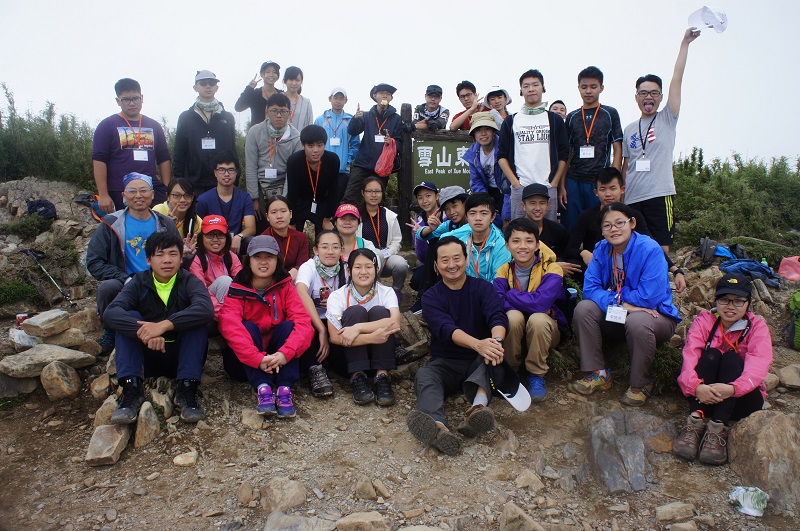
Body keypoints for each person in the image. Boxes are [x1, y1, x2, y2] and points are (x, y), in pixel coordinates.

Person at [571, 202, 680, 406]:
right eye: (607, 225)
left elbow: (650, 297)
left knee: (638, 321)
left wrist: (618, 297)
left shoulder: (650, 249)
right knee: (584, 308)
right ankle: (598, 373)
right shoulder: (601, 249)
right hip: (621, 312)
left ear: (632, 223)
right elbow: (589, 289)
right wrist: (620, 302)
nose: (614, 229)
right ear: (602, 231)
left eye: (620, 222)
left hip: (656, 316)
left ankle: (641, 383)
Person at [407, 236, 509, 455]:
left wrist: (496, 343)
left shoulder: (483, 288)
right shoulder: (431, 297)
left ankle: (476, 411)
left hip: (479, 359)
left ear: (466, 259)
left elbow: (497, 316)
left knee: (490, 358)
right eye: (444, 260)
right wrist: (478, 344)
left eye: (456, 258)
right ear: (435, 266)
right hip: (446, 362)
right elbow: (445, 328)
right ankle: (437, 427)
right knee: (425, 375)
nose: (451, 265)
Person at [103, 231, 214, 424]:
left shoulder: (189, 281)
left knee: (197, 321)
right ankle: (131, 390)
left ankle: (187, 389)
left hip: (180, 358)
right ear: (148, 260)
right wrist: (145, 332)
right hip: (147, 358)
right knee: (130, 317)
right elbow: (111, 312)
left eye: (173, 254)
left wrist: (164, 325)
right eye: (160, 254)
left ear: (181, 258)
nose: (167, 260)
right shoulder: (138, 282)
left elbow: (205, 308)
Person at [673, 274, 772, 465]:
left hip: (741, 400)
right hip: (703, 396)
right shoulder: (704, 321)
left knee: (732, 359)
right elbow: (689, 359)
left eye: (738, 301)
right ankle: (694, 422)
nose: (730, 306)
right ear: (716, 300)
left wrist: (733, 389)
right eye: (724, 299)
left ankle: (717, 429)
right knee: (711, 356)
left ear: (748, 303)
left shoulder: (757, 327)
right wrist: (695, 387)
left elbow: (758, 366)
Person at [622, 28, 701, 253]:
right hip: (632, 197)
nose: (649, 97)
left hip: (658, 193)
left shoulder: (667, 118)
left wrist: (685, 43)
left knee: (660, 246)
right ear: (636, 97)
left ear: (661, 97)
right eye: (644, 92)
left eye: (654, 93)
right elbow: (626, 165)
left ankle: (660, 284)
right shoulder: (629, 129)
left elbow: (677, 78)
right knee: (632, 246)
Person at [218, 236, 314, 418]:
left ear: (277, 261)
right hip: (245, 362)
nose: (263, 262)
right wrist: (256, 358)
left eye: (269, 257)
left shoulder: (285, 287)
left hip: (279, 360)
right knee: (247, 327)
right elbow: (230, 326)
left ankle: (285, 388)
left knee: (289, 326)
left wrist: (285, 353)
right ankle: (263, 388)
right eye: (257, 257)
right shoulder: (238, 289)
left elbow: (303, 323)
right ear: (249, 261)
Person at [87, 173, 179, 355]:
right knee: (107, 287)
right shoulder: (111, 224)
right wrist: (124, 278)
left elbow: (178, 256)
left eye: (144, 190)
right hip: (126, 283)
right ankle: (110, 330)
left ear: (152, 194)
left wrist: (189, 255)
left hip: (159, 281)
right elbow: (94, 261)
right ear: (123, 196)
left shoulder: (166, 223)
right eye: (132, 191)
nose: (139, 196)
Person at [563, 168, 686, 290]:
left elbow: (652, 246)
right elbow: (569, 249)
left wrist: (675, 270)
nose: (608, 194)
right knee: (573, 264)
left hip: (628, 269)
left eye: (613, 188)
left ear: (622, 190)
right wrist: (583, 252)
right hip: (596, 267)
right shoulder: (586, 216)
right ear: (596, 192)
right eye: (602, 189)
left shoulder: (633, 216)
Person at [494, 219, 565, 401]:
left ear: (537, 245)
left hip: (547, 331)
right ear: (507, 245)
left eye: (529, 240)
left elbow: (540, 304)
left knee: (538, 318)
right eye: (516, 241)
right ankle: (512, 371)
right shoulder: (503, 270)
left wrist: (510, 294)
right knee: (513, 317)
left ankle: (536, 374)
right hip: (515, 329)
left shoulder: (552, 268)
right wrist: (526, 302)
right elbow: (497, 301)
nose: (522, 246)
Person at [326, 248, 401, 406]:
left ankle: (382, 376)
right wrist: (371, 337)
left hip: (380, 355)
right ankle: (357, 376)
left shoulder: (386, 292)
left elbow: (395, 322)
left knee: (380, 311)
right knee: (354, 311)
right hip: (348, 360)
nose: (363, 271)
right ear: (348, 270)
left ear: (377, 269)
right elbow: (335, 337)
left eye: (368, 266)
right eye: (358, 267)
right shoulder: (336, 296)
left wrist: (358, 328)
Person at [498, 69, 569, 221]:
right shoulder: (511, 121)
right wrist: (515, 183)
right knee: (518, 234)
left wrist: (554, 182)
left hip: (548, 186)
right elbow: (502, 156)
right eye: (526, 86)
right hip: (521, 187)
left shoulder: (554, 120)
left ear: (543, 88)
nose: (531, 89)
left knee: (549, 236)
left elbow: (564, 153)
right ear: (520, 91)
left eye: (535, 85)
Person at [92, 78, 170, 213]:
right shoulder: (107, 125)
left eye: (136, 98)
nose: (132, 103)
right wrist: (103, 194)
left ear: (142, 98)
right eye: (126, 99)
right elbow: (99, 160)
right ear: (118, 101)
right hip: (119, 190)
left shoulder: (154, 125)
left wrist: (167, 188)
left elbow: (164, 158)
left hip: (151, 190)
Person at [560, 66, 623, 231]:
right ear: (578, 88)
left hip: (599, 181)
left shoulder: (610, 113)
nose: (588, 91)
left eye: (593, 87)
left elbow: (617, 148)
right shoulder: (572, 117)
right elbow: (567, 153)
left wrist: (613, 181)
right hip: (573, 180)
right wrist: (562, 185)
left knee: (600, 226)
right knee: (571, 226)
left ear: (601, 88)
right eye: (584, 86)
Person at [173, 70, 239, 197]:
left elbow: (232, 150)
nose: (208, 86)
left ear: (217, 88)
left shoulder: (227, 117)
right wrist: (179, 181)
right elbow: (179, 152)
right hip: (194, 183)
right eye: (203, 83)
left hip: (222, 182)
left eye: (212, 83)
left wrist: (235, 177)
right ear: (195, 87)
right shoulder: (186, 117)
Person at [295, 230, 345, 398]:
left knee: (341, 364)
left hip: (337, 320)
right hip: (313, 320)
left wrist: (334, 303)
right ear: (316, 250)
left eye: (335, 247)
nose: (330, 251)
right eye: (325, 247)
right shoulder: (308, 267)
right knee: (304, 327)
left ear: (341, 250)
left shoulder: (347, 268)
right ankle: (315, 369)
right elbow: (301, 292)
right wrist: (322, 330)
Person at [245, 93, 302, 223]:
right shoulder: (255, 132)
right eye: (274, 111)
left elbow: (293, 173)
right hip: (260, 186)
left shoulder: (296, 137)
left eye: (283, 111)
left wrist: (283, 201)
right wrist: (253, 198)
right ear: (267, 111)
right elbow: (251, 166)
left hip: (284, 185)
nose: (278, 115)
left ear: (290, 112)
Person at [342, 83, 403, 204]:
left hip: (382, 167)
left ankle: (376, 223)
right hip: (363, 164)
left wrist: (391, 142)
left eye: (388, 94)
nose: (385, 96)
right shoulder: (366, 115)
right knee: (350, 196)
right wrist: (355, 119)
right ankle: (345, 221)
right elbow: (353, 131)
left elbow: (400, 142)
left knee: (377, 201)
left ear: (391, 98)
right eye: (381, 93)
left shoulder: (396, 118)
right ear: (375, 96)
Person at [439, 193, 510, 283]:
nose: (478, 218)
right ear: (467, 216)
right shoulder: (463, 236)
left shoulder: (501, 245)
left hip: (489, 294)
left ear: (493, 217)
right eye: (472, 213)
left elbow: (498, 283)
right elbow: (442, 238)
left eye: (484, 213)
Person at [358, 177, 408, 303]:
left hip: (387, 258)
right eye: (369, 191)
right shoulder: (356, 216)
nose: (374, 195)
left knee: (401, 264)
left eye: (377, 191)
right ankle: (374, 290)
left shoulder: (390, 216)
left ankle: (396, 291)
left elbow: (397, 239)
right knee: (377, 253)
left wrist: (387, 254)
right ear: (363, 193)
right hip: (363, 259)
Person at [196, 152, 256, 254]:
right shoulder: (203, 199)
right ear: (215, 172)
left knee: (252, 242)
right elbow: (198, 230)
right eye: (222, 170)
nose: (227, 174)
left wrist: (239, 236)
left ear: (236, 172)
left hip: (236, 244)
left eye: (231, 170)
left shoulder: (244, 197)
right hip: (213, 243)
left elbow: (251, 228)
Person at [286, 124, 339, 234]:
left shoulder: (333, 160)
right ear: (303, 145)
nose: (316, 150)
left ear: (325, 144)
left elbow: (334, 191)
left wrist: (327, 218)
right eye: (310, 146)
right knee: (296, 233)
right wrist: (291, 222)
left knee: (325, 234)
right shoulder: (294, 162)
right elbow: (292, 193)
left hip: (322, 202)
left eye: (320, 145)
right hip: (301, 202)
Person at [188, 215, 243, 321]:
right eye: (209, 235)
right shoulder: (196, 257)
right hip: (207, 307)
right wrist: (223, 315)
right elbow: (201, 290)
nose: (215, 240)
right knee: (225, 281)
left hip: (229, 306)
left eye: (220, 235)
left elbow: (242, 284)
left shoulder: (231, 256)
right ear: (201, 237)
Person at [520, 184, 578, 277]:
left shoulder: (558, 230)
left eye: (542, 203)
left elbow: (567, 254)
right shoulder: (515, 231)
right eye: (532, 203)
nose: (538, 208)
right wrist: (552, 267)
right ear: (523, 206)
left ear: (548, 205)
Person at [314, 88, 361, 203]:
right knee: (322, 201)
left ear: (346, 101)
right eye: (335, 98)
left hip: (342, 170)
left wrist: (347, 160)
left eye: (341, 98)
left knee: (339, 201)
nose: (338, 101)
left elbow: (356, 145)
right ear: (330, 99)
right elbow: (314, 143)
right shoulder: (320, 120)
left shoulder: (350, 121)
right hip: (323, 168)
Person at [462, 112, 509, 225]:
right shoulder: (473, 154)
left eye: (487, 129)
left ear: (494, 131)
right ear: (473, 134)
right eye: (478, 130)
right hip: (488, 191)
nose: (483, 134)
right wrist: (486, 202)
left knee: (507, 219)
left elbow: (509, 182)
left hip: (506, 190)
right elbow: (476, 181)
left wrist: (507, 212)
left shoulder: (505, 148)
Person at [406, 181, 442, 312]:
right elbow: (421, 257)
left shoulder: (446, 215)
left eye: (428, 196)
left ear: (436, 196)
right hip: (428, 264)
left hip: (446, 259)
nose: (424, 200)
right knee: (416, 280)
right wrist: (420, 235)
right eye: (420, 197)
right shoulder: (419, 220)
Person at [259, 195, 310, 279]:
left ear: (290, 214)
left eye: (283, 211)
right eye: (274, 212)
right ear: (267, 217)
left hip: (295, 279)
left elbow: (303, 262)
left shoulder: (300, 237)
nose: (279, 216)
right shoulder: (262, 239)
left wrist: (296, 269)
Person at [333, 203, 382, 269]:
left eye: (352, 219)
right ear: (335, 222)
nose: (347, 222)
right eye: (343, 218)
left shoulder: (366, 245)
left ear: (359, 223)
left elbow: (374, 268)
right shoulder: (327, 245)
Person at [234, 60, 282, 126]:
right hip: (257, 134)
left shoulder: (282, 95)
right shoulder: (255, 94)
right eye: (268, 72)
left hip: (278, 134)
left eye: (274, 72)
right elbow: (238, 107)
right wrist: (249, 88)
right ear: (262, 74)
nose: (271, 75)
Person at [282, 66, 314, 132]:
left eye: (297, 80)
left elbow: (309, 126)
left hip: (299, 141)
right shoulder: (276, 99)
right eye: (291, 79)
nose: (294, 83)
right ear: (285, 81)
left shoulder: (306, 103)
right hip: (279, 141)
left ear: (301, 81)